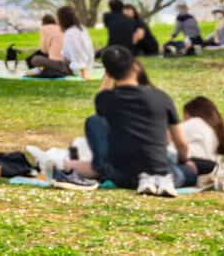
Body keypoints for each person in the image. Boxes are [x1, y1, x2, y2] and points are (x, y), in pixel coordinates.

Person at [67, 45, 198, 193]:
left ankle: (106, 169)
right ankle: (159, 179)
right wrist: (185, 161)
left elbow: (100, 98)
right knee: (189, 171)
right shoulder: (161, 98)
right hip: (160, 171)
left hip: (122, 175)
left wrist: (109, 74)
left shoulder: (106, 99)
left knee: (94, 121)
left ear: (108, 73)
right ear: (135, 67)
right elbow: (181, 144)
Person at [27, 6, 91, 78]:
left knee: (35, 59)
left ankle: (51, 70)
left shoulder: (71, 33)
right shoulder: (81, 29)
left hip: (69, 68)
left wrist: (84, 74)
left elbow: (44, 50)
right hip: (82, 65)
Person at [180, 96, 224, 176]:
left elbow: (169, 135)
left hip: (190, 165)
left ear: (189, 113)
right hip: (206, 169)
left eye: (184, 116)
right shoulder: (215, 132)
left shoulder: (196, 123)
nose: (183, 120)